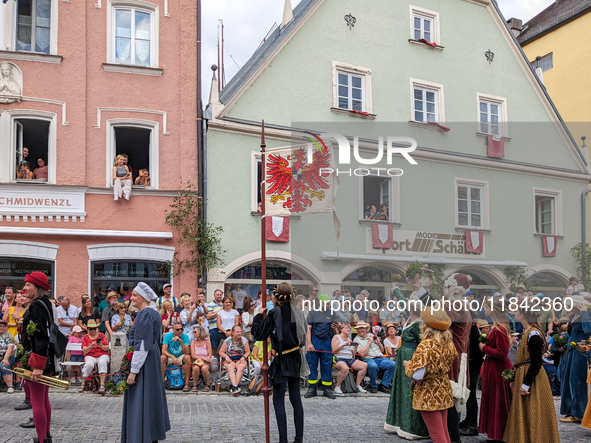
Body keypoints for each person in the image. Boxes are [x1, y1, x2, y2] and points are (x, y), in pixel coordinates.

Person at [251, 282, 308, 443]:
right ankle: (298, 439)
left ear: (275, 297)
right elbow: (303, 337)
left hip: (282, 359)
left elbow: (260, 334)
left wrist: (257, 315)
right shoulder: (298, 312)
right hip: (295, 357)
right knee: (296, 399)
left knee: (278, 400)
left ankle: (283, 440)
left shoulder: (274, 312)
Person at [122, 282, 170, 443]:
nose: (131, 298)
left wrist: (133, 371)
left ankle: (140, 435)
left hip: (146, 360)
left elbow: (142, 344)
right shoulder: (152, 313)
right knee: (149, 396)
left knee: (142, 396)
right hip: (152, 357)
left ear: (143, 298)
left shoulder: (145, 314)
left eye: (135, 295)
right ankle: (148, 434)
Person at [503, 305, 560, 443]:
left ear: (523, 315)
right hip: (525, 374)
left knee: (532, 412)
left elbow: (535, 363)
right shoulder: (529, 332)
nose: (515, 313)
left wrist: (526, 384)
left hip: (532, 379)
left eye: (517, 311)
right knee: (526, 413)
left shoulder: (533, 335)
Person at [404, 307, 457, 443]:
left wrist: (408, 365)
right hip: (443, 388)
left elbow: (417, 374)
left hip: (429, 391)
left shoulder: (426, 345)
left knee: (437, 435)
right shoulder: (449, 343)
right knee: (444, 431)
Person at [20, 271, 56, 443]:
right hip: (44, 358)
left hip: (37, 358)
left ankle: (42, 440)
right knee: (43, 399)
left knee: (37, 401)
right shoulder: (45, 303)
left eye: (28, 285)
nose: (24, 288)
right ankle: (46, 436)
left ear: (37, 287)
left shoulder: (36, 306)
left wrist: (37, 365)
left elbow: (40, 336)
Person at [384, 304, 429, 439]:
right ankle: (398, 423)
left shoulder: (418, 323)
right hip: (403, 355)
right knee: (401, 389)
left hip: (411, 356)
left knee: (410, 389)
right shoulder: (410, 319)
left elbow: (423, 343)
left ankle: (412, 427)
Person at [478, 303, 512, 442]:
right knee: (494, 400)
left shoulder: (500, 329)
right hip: (493, 367)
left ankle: (501, 434)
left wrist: (484, 348)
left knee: (498, 402)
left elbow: (502, 353)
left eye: (486, 307)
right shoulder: (495, 327)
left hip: (499, 369)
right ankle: (496, 433)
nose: (484, 310)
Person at [557, 294, 591, 423]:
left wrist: (583, 313)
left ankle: (579, 412)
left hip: (580, 352)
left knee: (577, 381)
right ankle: (570, 410)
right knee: (568, 381)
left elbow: (588, 331)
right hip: (570, 350)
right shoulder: (572, 316)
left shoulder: (587, 315)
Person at [304, 293, 336, 399]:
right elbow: (308, 329)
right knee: (312, 365)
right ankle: (312, 388)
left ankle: (327, 389)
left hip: (327, 341)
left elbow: (338, 326)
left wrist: (337, 326)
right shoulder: (312, 313)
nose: (327, 306)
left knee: (327, 366)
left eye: (328, 304)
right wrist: (309, 343)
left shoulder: (332, 313)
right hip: (315, 340)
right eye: (325, 304)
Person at [459, 318, 486, 437]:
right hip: (470, 363)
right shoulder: (470, 328)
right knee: (468, 393)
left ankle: (473, 425)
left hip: (472, 364)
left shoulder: (473, 329)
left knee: (471, 393)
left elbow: (475, 350)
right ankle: (468, 419)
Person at [354, 321, 395, 394]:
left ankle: (384, 385)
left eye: (362, 328)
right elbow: (362, 354)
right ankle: (373, 385)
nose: (360, 330)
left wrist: (378, 343)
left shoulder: (372, 335)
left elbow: (382, 350)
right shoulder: (357, 339)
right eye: (358, 329)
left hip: (380, 358)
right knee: (373, 366)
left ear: (366, 329)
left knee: (393, 364)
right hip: (368, 359)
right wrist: (369, 342)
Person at [332, 323, 367, 394]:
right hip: (339, 358)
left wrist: (355, 346)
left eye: (349, 328)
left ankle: (358, 385)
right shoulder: (336, 337)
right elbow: (334, 350)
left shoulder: (348, 339)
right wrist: (344, 345)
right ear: (341, 329)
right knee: (345, 369)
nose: (349, 329)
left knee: (364, 366)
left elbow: (353, 354)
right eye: (347, 328)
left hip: (349, 359)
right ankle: (337, 387)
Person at [80, 319, 110, 393]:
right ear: (87, 329)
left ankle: (102, 384)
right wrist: (91, 345)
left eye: (94, 329)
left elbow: (107, 349)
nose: (93, 330)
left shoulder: (101, 335)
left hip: (102, 354)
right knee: (89, 364)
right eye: (91, 329)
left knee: (102, 362)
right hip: (90, 355)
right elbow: (84, 350)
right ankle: (83, 383)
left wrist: (101, 345)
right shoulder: (85, 337)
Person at [219, 325, 250, 395]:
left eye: (240, 332)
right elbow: (221, 352)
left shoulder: (244, 340)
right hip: (230, 358)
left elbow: (248, 351)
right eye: (237, 332)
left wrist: (244, 356)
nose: (239, 333)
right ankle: (235, 386)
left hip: (240, 358)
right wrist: (226, 357)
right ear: (233, 333)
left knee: (241, 367)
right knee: (230, 367)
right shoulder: (228, 341)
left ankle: (234, 386)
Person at [161, 322, 191, 391]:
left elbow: (187, 352)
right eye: (177, 330)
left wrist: (181, 341)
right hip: (170, 356)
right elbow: (163, 351)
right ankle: (162, 381)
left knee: (188, 357)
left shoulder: (185, 337)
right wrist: (173, 357)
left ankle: (187, 383)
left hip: (180, 356)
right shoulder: (167, 336)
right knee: (162, 357)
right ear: (173, 330)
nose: (180, 331)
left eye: (181, 329)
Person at [190, 325, 212, 392]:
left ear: (200, 333)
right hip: (196, 361)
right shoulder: (193, 342)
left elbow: (209, 355)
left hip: (205, 362)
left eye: (195, 332)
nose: (193, 333)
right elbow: (193, 355)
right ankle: (194, 384)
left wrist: (202, 359)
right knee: (196, 368)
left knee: (204, 368)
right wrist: (200, 358)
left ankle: (207, 383)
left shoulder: (207, 342)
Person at [206, 289, 224, 356]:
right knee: (214, 347)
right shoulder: (210, 305)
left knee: (222, 347)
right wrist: (219, 311)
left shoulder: (224, 304)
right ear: (214, 296)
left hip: (223, 329)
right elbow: (208, 316)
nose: (219, 296)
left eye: (220, 295)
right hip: (214, 328)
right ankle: (214, 363)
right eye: (217, 295)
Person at [0, 319, 16, 393]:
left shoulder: (7, 335)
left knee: (4, 365)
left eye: (3, 326)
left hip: (8, 356)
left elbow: (10, 348)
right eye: (0, 326)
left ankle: (10, 387)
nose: (2, 327)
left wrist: (5, 359)